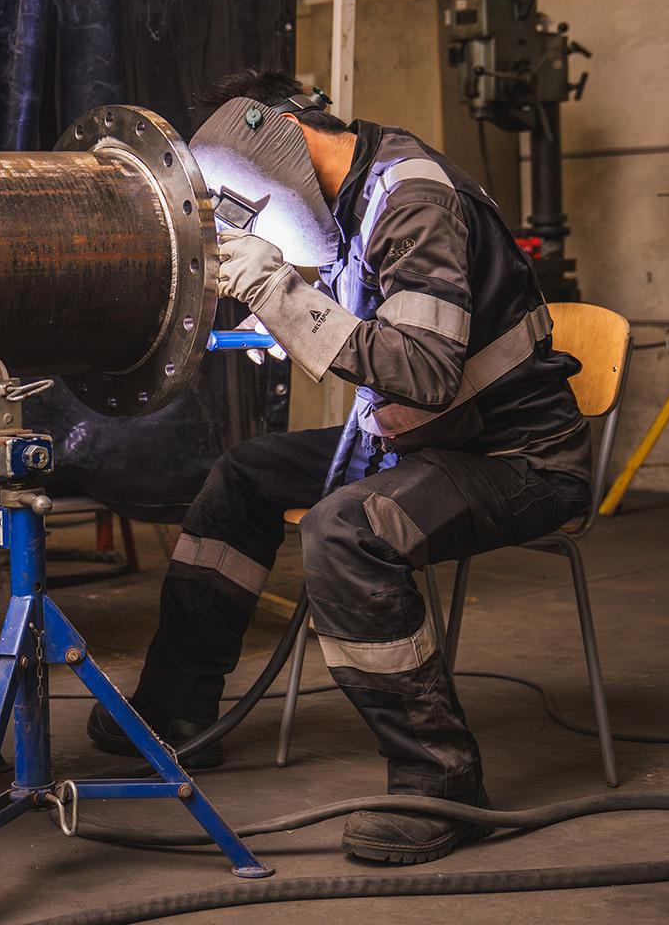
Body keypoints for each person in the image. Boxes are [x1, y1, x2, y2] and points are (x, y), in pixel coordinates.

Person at [88, 69, 593, 865]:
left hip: (516, 456)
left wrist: (280, 291)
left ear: (281, 138)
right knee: (243, 477)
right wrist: (286, 309)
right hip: (422, 444)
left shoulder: (413, 200)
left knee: (347, 531)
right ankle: (176, 709)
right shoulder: (353, 204)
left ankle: (441, 782)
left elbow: (423, 370)